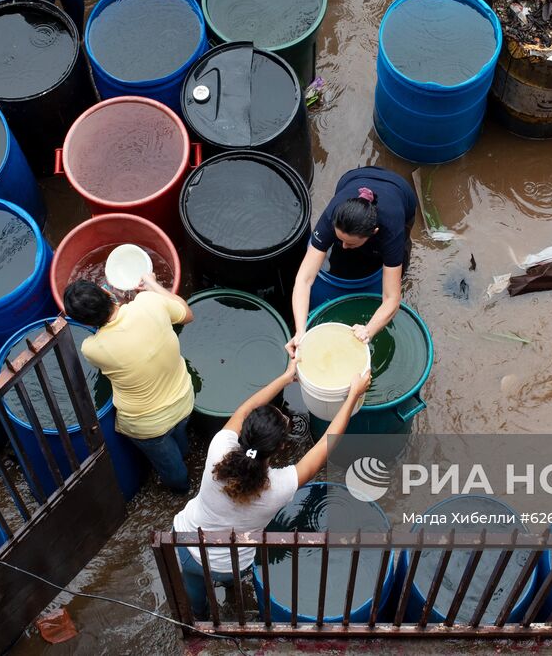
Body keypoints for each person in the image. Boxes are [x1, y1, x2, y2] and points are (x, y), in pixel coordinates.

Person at [171, 362, 371, 619]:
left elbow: (245, 409)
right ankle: (231, 598)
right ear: (277, 450)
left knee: (194, 587)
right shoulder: (280, 487)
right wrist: (353, 395)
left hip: (186, 546)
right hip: (232, 565)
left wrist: (286, 377)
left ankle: (198, 620)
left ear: (244, 433)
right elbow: (325, 445)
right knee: (227, 574)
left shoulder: (218, 449)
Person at [63, 274, 195, 492]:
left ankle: (181, 489)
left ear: (85, 322)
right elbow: (187, 314)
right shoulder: (149, 302)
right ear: (107, 292)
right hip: (184, 398)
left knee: (170, 465)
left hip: (148, 426)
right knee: (179, 434)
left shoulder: (92, 348)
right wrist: (152, 284)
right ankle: (184, 451)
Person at [287, 166, 418, 355]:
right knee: (343, 253)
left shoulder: (391, 229)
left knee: (397, 259)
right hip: (354, 178)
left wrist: (368, 331)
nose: (343, 246)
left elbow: (392, 298)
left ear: (374, 233)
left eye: (350, 242)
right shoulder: (333, 216)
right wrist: (300, 331)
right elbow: (304, 279)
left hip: (400, 191)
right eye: (339, 239)